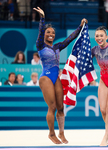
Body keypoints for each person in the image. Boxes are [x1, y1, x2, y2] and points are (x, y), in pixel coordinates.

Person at [34, 7, 87, 144]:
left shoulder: (57, 46)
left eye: (52, 32)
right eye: (48, 32)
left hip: (56, 77)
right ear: (44, 34)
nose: (50, 34)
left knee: (61, 107)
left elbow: (71, 38)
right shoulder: (40, 45)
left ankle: (61, 133)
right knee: (51, 107)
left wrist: (80, 26)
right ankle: (51, 134)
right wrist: (42, 18)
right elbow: (40, 32)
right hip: (45, 77)